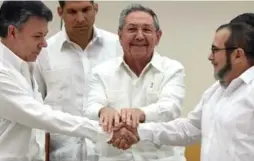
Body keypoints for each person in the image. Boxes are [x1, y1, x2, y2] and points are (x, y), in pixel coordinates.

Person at [0, 1, 136, 161]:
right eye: (37, 36)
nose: (44, 44)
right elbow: (42, 116)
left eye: (44, 35)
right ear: (13, 32)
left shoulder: (25, 65)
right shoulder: (5, 71)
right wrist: (104, 130)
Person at [126, 22, 254, 161]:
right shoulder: (216, 91)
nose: (210, 56)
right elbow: (189, 128)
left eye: (215, 50)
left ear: (237, 55)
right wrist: (137, 130)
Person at [84, 3, 186, 161]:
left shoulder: (172, 69)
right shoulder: (101, 72)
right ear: (120, 35)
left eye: (146, 30)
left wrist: (140, 113)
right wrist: (103, 111)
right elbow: (90, 108)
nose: (139, 36)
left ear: (157, 36)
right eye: (132, 29)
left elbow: (170, 107)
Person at [35, 1, 123, 161]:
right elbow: (36, 107)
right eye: (72, 12)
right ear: (60, 12)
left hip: (111, 154)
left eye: (86, 10)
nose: (81, 18)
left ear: (96, 9)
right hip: (62, 155)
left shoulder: (118, 46)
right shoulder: (43, 52)